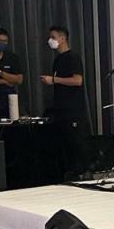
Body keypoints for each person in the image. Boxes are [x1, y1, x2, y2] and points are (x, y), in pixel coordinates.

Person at [40, 25, 90, 177]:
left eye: (53, 37)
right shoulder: (57, 60)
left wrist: (54, 80)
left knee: (76, 142)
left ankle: (82, 172)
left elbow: (77, 80)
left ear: (62, 38)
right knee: (64, 143)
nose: (50, 40)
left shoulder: (72, 58)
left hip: (73, 108)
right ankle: (68, 172)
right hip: (60, 108)